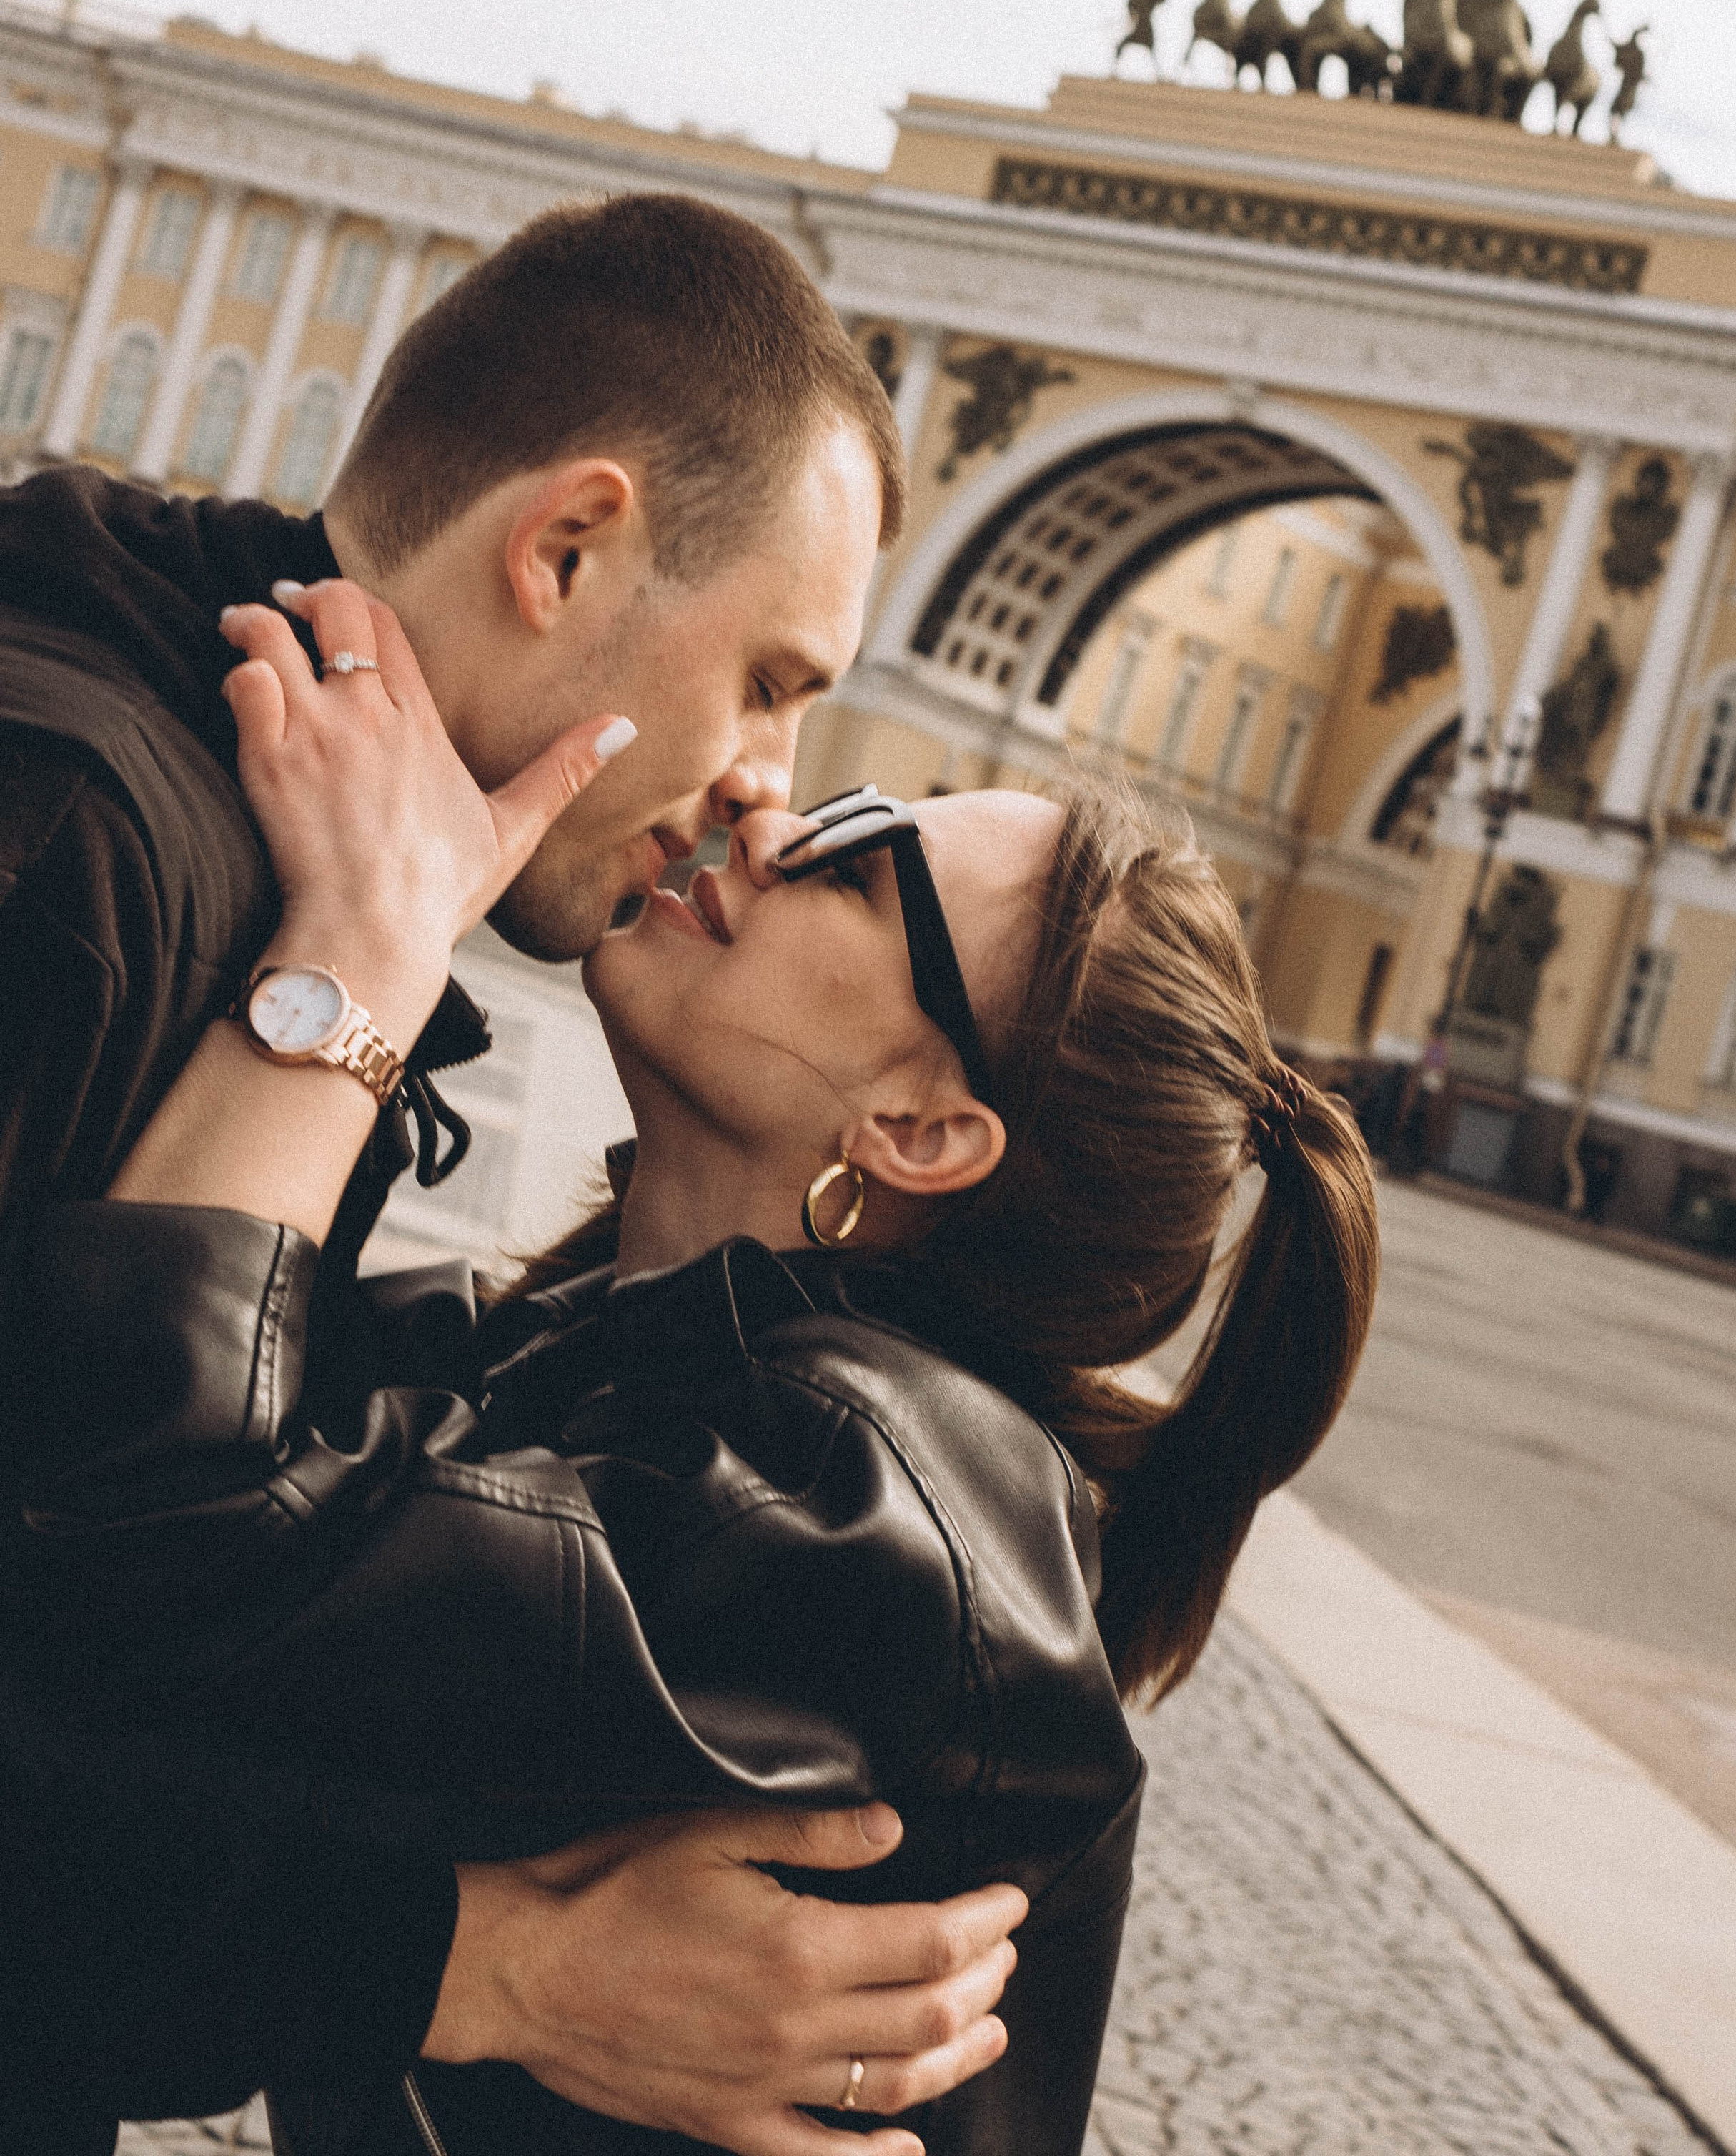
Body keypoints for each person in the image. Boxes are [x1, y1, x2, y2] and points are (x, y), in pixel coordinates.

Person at [4, 574, 1382, 2152]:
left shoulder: (847, 1521)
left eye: (864, 866)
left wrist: (364, 953)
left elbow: (149, 1536)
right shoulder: (589, 1352)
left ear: (919, 1132)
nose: (776, 822)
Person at [0, 192, 1023, 2151]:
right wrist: (478, 1967)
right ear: (569, 547)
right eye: (776, 683)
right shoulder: (77, 858)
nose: (766, 790)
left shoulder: (208, 817)